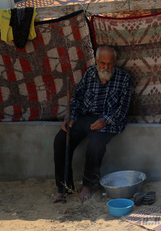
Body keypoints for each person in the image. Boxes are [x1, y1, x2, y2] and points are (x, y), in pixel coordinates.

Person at [51, 46, 132, 203]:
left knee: (95, 145)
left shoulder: (123, 78)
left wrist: (105, 120)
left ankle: (88, 185)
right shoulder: (89, 74)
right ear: (96, 61)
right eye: (102, 63)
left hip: (108, 121)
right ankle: (63, 188)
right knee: (61, 140)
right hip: (86, 117)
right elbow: (77, 98)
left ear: (114, 62)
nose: (106, 67)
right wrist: (71, 117)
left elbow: (123, 110)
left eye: (109, 64)